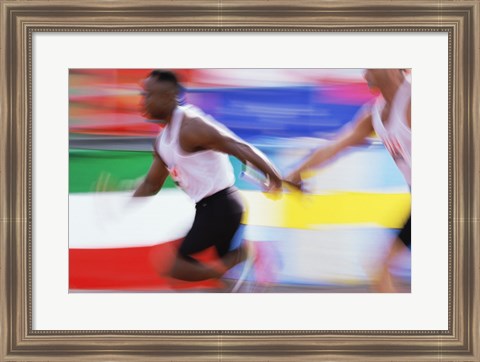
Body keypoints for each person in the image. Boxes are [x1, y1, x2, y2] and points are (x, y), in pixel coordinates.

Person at [134, 69, 283, 285]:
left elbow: (237, 146)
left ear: (167, 96)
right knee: (223, 283)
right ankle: (241, 259)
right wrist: (123, 201)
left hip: (221, 207)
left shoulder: (191, 126)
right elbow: (151, 184)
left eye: (147, 94)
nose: (142, 100)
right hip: (208, 209)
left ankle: (246, 254)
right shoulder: (162, 140)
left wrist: (274, 176)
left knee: (174, 266)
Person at [286, 69, 411, 292]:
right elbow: (335, 146)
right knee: (379, 268)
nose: (364, 72)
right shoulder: (374, 114)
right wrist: (297, 172)